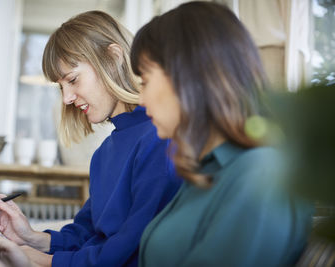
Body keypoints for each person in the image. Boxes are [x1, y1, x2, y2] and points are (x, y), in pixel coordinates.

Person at [0, 10, 181, 267]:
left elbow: (132, 249)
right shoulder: (106, 151)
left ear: (114, 57)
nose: (67, 99)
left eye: (73, 80)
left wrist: (43, 261)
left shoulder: (158, 139)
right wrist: (30, 237)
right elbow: (87, 233)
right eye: (61, 87)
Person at [129, 2, 313, 266]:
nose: (141, 99)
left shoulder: (261, 176)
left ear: (190, 76)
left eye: (145, 81)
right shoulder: (209, 170)